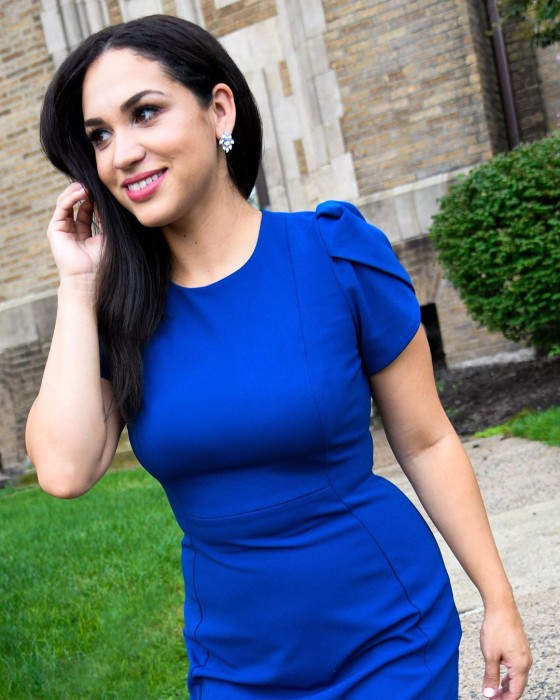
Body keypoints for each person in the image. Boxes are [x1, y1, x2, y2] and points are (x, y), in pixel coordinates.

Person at [26, 14, 532, 700]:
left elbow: (427, 439)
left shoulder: (335, 253)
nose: (122, 153)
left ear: (219, 110)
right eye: (100, 136)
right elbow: (63, 470)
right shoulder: (121, 312)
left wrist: (498, 601)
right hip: (235, 664)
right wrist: (78, 285)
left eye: (145, 113)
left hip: (386, 639)